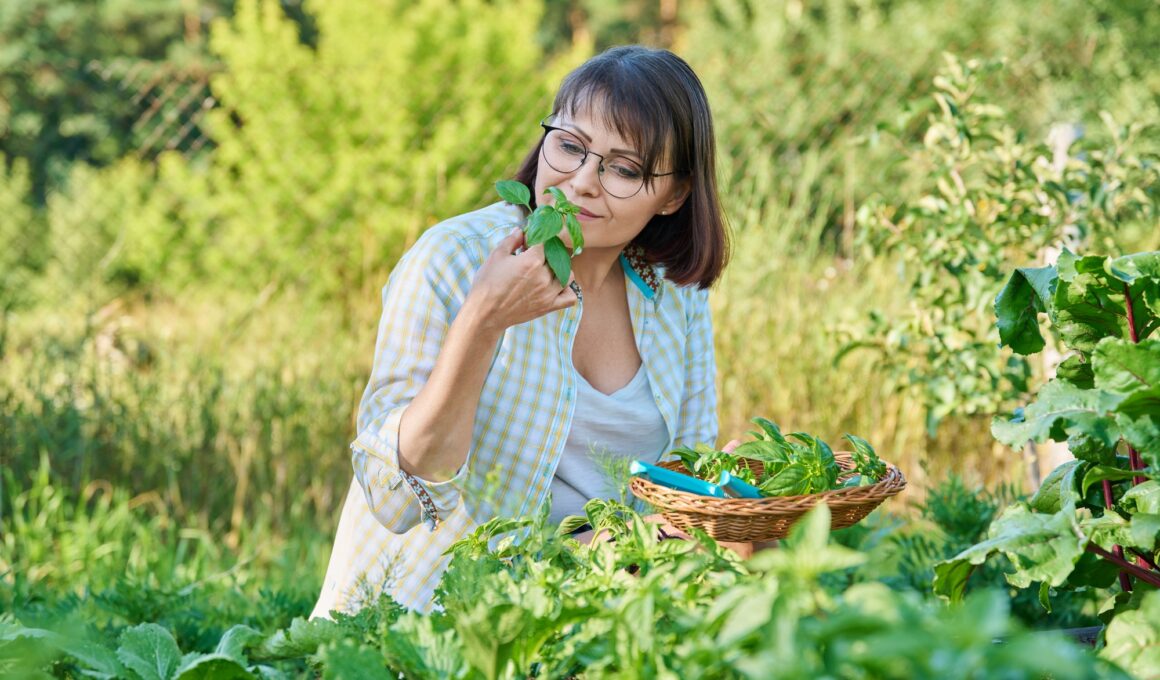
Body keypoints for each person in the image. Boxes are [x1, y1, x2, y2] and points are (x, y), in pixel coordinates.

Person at [311, 45, 729, 618]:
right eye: (570, 146)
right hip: (425, 620)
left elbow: (684, 473)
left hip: (594, 613)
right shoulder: (453, 261)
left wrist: (714, 503)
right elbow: (398, 494)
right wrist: (483, 319)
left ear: (674, 195)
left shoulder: (674, 295)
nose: (581, 182)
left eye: (624, 169)